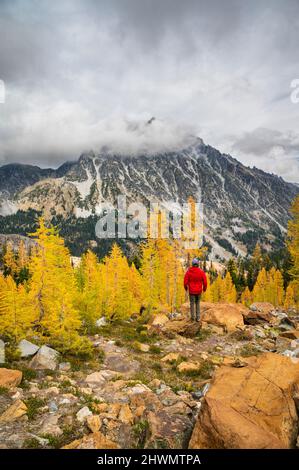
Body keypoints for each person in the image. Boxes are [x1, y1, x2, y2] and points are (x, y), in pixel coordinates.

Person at [184, 258, 207, 322]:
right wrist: (204, 289)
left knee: (192, 304)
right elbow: (205, 282)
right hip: (199, 291)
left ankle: (192, 318)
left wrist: (186, 288)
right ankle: (198, 318)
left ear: (192, 264)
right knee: (197, 303)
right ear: (198, 264)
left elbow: (185, 282)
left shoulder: (189, 272)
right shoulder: (201, 272)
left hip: (191, 291)